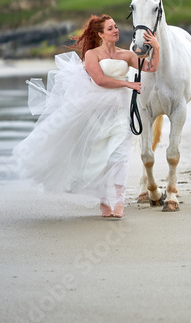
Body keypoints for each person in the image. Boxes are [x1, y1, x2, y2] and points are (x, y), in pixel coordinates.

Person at [13, 14, 160, 218]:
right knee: (100, 155)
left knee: (120, 156)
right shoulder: (92, 54)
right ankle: (104, 200)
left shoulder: (126, 55)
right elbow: (99, 80)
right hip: (97, 110)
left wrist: (157, 48)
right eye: (110, 28)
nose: (116, 30)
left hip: (121, 109)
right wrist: (128, 84)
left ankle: (119, 201)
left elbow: (151, 67)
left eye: (116, 27)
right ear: (100, 34)